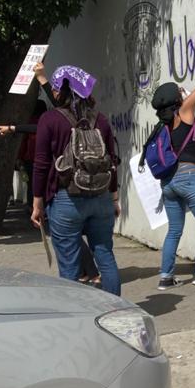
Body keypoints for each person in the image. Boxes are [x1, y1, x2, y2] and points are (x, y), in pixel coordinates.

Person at [31, 65, 122, 295]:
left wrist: (37, 201)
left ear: (59, 91)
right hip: (101, 197)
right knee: (105, 255)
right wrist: (114, 197)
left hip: (66, 199)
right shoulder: (100, 120)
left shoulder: (49, 119)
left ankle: (75, 318)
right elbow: (112, 160)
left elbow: (41, 164)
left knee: (69, 265)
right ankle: (117, 311)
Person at [145, 41, 195, 291]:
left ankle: (166, 277)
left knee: (174, 231)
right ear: (177, 100)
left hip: (168, 183)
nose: (184, 91)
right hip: (188, 177)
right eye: (180, 90)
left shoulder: (164, 124)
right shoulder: (185, 112)